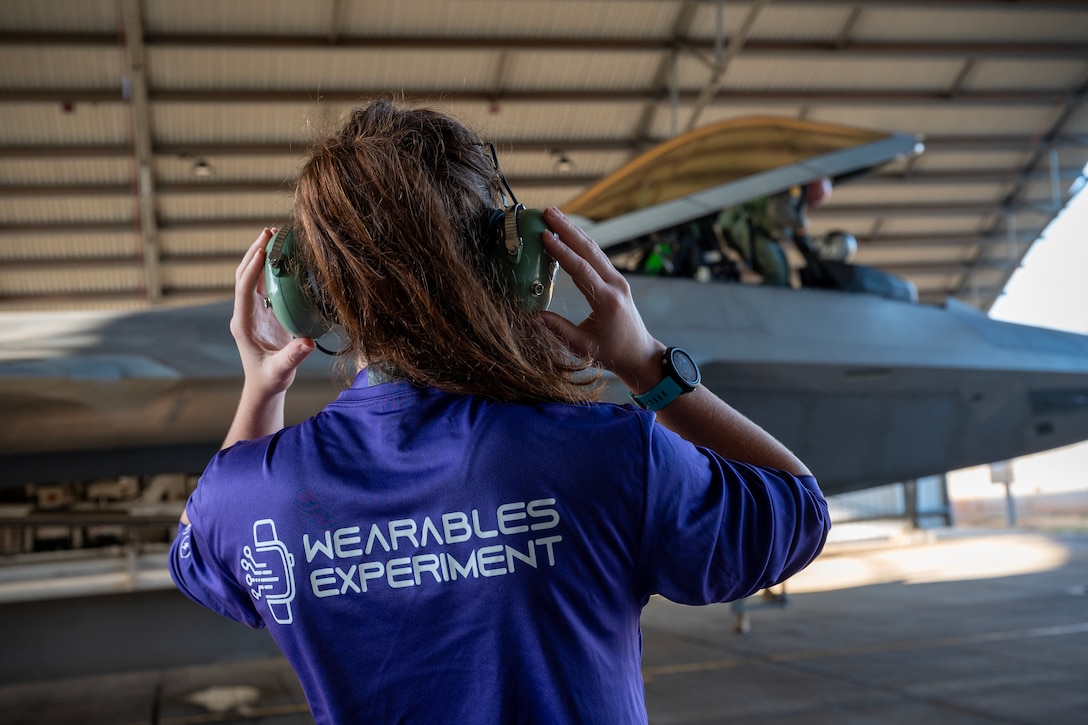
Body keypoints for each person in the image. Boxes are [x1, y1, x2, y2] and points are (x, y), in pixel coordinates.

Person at [169, 100, 829, 724]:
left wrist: (261, 390)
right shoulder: (608, 453)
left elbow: (196, 558)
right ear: (513, 262)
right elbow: (798, 512)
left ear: (304, 295)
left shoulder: (250, 497)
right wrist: (647, 364)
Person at [717, 177, 832, 286]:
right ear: (812, 186)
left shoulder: (799, 200)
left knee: (784, 276)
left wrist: (812, 256)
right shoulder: (795, 191)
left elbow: (798, 234)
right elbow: (776, 210)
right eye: (817, 197)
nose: (815, 203)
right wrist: (799, 223)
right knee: (777, 276)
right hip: (747, 226)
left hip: (759, 233)